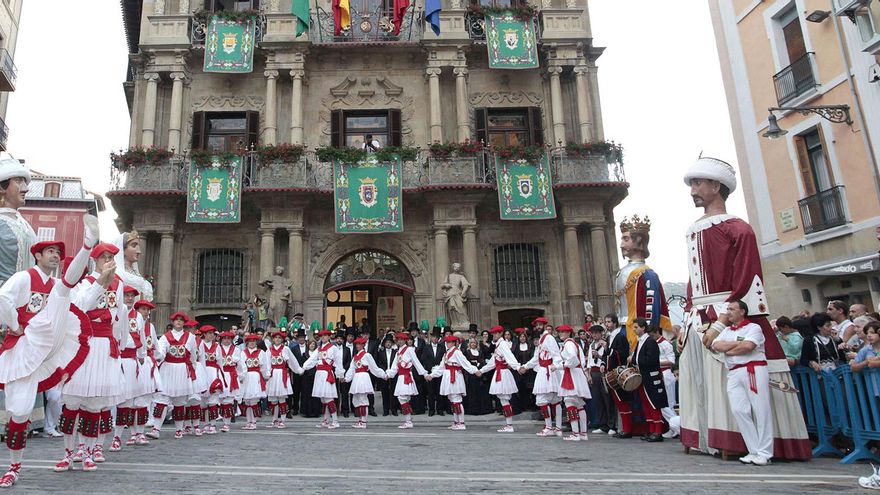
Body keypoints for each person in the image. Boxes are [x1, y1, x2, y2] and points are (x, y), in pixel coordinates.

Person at [679, 156, 810, 459]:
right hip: (697, 316)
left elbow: (749, 278)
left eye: (697, 183)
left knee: (731, 380)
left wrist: (723, 320)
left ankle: (741, 441)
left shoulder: (739, 229)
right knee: (700, 379)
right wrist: (687, 312)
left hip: (725, 313)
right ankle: (705, 436)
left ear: (716, 186)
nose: (692, 191)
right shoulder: (693, 229)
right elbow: (693, 279)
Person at [0, 216, 97, 487]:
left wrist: (88, 254)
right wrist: (14, 325)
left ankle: (87, 244)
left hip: (48, 346)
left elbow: (73, 289)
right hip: (23, 350)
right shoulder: (23, 278)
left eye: (58, 253)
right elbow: (3, 299)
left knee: (63, 290)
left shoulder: (55, 286)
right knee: (19, 413)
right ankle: (14, 466)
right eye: (51, 251)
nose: (55, 256)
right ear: (38, 255)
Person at [58, 242, 129, 470]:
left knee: (95, 404)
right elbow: (81, 307)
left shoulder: (119, 285)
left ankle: (88, 451)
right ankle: (69, 453)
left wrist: (116, 346)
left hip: (104, 347)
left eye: (111, 257)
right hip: (85, 344)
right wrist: (101, 283)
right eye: (103, 257)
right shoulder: (84, 283)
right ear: (95, 260)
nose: (108, 261)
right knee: (72, 400)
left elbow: (118, 316)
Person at [711, 301, 773, 465]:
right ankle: (753, 449)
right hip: (734, 372)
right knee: (738, 410)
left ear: (742, 311)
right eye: (728, 309)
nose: (728, 312)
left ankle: (765, 452)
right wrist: (737, 344)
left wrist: (729, 350)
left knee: (761, 409)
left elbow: (748, 346)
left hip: (752, 369)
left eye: (732, 309)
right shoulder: (726, 331)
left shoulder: (754, 328)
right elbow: (716, 345)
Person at [148, 312, 197, 440]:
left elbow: (193, 355)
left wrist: (192, 369)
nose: (178, 322)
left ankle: (179, 429)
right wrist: (157, 355)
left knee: (180, 401)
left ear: (184, 323)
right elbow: (161, 352)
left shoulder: (190, 337)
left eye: (181, 320)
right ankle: (156, 429)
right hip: (168, 369)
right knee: (162, 399)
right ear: (173, 322)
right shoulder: (165, 337)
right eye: (176, 320)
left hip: (182, 369)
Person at [111, 285, 147, 452]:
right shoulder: (115, 312)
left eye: (132, 296)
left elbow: (141, 337)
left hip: (131, 361)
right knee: (112, 400)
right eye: (126, 295)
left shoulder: (138, 316)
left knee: (128, 401)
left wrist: (142, 354)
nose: (129, 298)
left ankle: (119, 436)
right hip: (117, 359)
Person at [521, 322, 563, 437]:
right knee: (552, 400)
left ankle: (551, 427)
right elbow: (536, 358)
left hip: (548, 371)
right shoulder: (541, 339)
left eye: (540, 325)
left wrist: (556, 366)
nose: (538, 327)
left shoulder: (549, 338)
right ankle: (556, 427)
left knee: (546, 399)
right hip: (544, 371)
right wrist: (526, 366)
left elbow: (556, 354)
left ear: (544, 325)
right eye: (537, 325)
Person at [478, 326, 522, 432]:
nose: (494, 335)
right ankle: (508, 424)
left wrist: (517, 367)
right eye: (493, 333)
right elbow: (493, 362)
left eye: (496, 333)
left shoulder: (502, 344)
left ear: (500, 333)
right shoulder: (498, 345)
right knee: (503, 399)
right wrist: (482, 370)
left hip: (503, 373)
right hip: (500, 373)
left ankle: (509, 425)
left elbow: (509, 356)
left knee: (505, 399)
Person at [429, 335, 478, 430]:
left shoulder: (457, 352)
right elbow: (441, 367)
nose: (447, 344)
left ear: (454, 343)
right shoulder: (447, 353)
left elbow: (465, 363)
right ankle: (456, 421)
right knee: (452, 399)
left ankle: (461, 422)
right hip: (448, 376)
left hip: (455, 376)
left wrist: (475, 370)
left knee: (457, 400)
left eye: (449, 342)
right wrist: (432, 375)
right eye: (447, 342)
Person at [0, 158, 36, 286]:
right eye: (18, 181)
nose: (25, 189)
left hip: (24, 295)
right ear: (1, 187)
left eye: (24, 182)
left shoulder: (25, 225)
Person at [630, 318, 667, 442]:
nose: (634, 330)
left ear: (643, 328)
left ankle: (658, 431)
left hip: (651, 377)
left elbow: (651, 360)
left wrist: (634, 360)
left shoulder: (650, 342)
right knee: (646, 404)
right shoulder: (640, 341)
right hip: (643, 377)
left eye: (636, 327)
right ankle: (651, 430)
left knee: (654, 404)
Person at [553, 324, 591, 441]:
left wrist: (561, 366)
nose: (561, 334)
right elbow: (581, 361)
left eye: (563, 332)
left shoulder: (569, 344)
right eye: (560, 332)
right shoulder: (575, 344)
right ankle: (583, 433)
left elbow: (573, 359)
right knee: (579, 404)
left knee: (570, 402)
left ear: (569, 333)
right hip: (577, 373)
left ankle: (575, 433)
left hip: (572, 374)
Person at [385, 331, 430, 429]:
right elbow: (394, 367)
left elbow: (416, 362)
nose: (400, 341)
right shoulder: (398, 352)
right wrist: (388, 375)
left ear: (405, 340)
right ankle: (408, 420)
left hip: (406, 377)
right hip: (401, 377)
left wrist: (424, 374)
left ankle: (408, 421)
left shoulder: (409, 350)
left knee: (403, 398)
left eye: (402, 340)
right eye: (398, 340)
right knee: (403, 398)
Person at [302, 328, 345, 429]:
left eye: (325, 336)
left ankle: (335, 420)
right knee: (323, 399)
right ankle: (325, 420)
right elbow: (312, 359)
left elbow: (338, 361)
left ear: (329, 337)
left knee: (329, 398)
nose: (324, 337)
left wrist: (340, 374)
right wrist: (304, 367)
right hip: (319, 374)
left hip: (327, 374)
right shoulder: (319, 349)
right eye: (322, 336)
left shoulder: (333, 348)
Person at [344, 336, 387, 428]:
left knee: (363, 399)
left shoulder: (367, 355)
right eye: (356, 344)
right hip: (357, 377)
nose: (357, 346)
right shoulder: (355, 357)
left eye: (359, 344)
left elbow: (374, 368)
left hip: (363, 377)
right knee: (356, 399)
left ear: (363, 345)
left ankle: (363, 421)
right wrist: (346, 378)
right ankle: (360, 419)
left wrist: (383, 375)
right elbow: (351, 369)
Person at [266, 328, 303, 428]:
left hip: (282, 374)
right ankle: (274, 419)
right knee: (273, 400)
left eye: (279, 338)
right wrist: (267, 373)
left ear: (282, 340)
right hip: (273, 375)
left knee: (282, 399)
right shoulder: (269, 350)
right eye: (276, 338)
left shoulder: (285, 349)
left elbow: (292, 361)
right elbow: (267, 363)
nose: (277, 339)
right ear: (273, 339)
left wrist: (298, 369)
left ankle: (282, 420)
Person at [649, 324, 677, 434]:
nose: (651, 337)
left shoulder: (665, 344)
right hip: (657, 375)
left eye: (652, 335)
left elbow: (671, 361)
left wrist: (656, 362)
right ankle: (673, 428)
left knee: (668, 404)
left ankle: (676, 427)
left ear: (657, 332)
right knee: (663, 404)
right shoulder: (654, 344)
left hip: (666, 374)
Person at [239, 333, 270, 430]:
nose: (252, 343)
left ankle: (254, 421)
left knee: (254, 401)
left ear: (256, 342)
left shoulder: (261, 352)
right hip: (246, 377)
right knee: (247, 401)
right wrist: (241, 377)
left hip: (256, 377)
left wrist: (265, 376)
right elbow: (241, 366)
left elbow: (264, 366)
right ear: (247, 343)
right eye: (250, 341)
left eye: (253, 341)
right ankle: (248, 421)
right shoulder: (243, 352)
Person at [585, 324, 612, 434]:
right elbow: (589, 362)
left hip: (603, 372)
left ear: (601, 333)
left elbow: (607, 358)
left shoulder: (605, 344)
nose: (594, 335)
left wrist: (599, 356)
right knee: (598, 399)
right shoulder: (591, 345)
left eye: (596, 333)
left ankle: (611, 424)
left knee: (607, 399)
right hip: (594, 372)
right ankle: (602, 424)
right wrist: (589, 375)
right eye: (593, 333)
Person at [198, 325, 224, 434]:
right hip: (202, 372)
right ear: (204, 334)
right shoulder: (200, 344)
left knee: (213, 400)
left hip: (213, 373)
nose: (211, 335)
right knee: (203, 401)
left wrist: (221, 376)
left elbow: (220, 362)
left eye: (213, 333)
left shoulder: (217, 346)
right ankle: (205, 424)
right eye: (209, 333)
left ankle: (213, 424)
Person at [217, 330, 244, 432]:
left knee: (229, 400)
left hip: (232, 375)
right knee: (220, 399)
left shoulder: (236, 350)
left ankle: (226, 423)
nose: (226, 340)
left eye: (228, 338)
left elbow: (240, 364)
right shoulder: (218, 348)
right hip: (220, 375)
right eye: (224, 338)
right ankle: (216, 421)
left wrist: (240, 376)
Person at [423, 328, 446, 416]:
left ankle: (440, 409)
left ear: (438, 338)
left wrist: (438, 368)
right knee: (430, 392)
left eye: (437, 337)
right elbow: (424, 359)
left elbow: (444, 359)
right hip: (430, 372)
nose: (435, 339)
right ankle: (431, 410)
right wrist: (430, 368)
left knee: (439, 391)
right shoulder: (426, 347)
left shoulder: (442, 347)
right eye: (433, 337)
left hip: (440, 372)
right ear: (431, 337)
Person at [375, 334, 399, 416]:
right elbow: (379, 363)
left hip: (393, 374)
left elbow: (397, 364)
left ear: (392, 343)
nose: (388, 344)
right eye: (387, 342)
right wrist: (384, 373)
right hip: (384, 375)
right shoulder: (380, 353)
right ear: (384, 343)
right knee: (384, 393)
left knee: (394, 392)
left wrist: (391, 372)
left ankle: (394, 409)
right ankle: (386, 410)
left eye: (390, 342)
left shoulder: (396, 352)